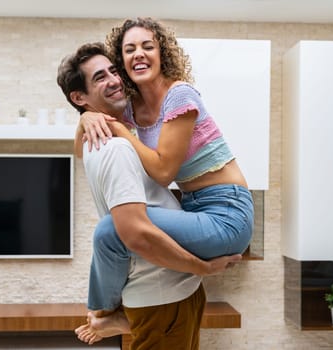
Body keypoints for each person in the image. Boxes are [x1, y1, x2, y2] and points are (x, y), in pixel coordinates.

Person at [57, 42, 241, 349]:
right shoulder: (116, 147)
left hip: (164, 290)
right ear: (79, 97)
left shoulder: (112, 134)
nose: (115, 80)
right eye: (100, 77)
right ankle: (105, 311)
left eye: (114, 71)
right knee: (109, 231)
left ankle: (110, 314)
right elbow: (137, 234)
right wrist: (203, 268)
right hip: (164, 290)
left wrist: (86, 117)